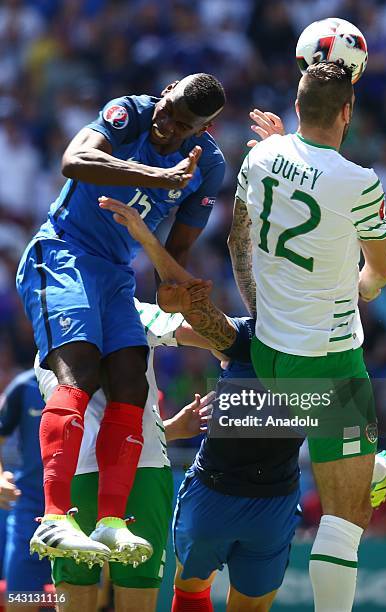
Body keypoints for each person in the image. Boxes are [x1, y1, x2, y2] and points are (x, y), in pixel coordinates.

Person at [99, 196, 386, 612]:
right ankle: (372, 469)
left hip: (273, 501)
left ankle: (371, 469)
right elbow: (218, 277)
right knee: (192, 586)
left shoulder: (326, 346)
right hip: (216, 489)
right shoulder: (246, 337)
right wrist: (252, 181)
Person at [15, 73, 226, 566]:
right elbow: (75, 161)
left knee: (131, 381)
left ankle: (111, 523)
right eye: (168, 108)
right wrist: (156, 176)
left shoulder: (209, 168)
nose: (166, 123)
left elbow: (173, 251)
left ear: (204, 129)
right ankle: (54, 518)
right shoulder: (128, 112)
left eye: (181, 125)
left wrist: (177, 290)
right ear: (167, 89)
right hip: (62, 252)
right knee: (82, 372)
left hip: (115, 274)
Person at [228, 60, 386, 612]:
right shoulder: (361, 183)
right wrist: (364, 289)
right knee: (346, 519)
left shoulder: (260, 155)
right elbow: (381, 269)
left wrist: (283, 148)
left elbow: (239, 238)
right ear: (348, 112)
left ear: (297, 108)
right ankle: (368, 470)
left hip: (270, 349)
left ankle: (372, 465)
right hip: (328, 359)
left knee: (342, 469)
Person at [35, 300, 213, 612]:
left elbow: (83, 422)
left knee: (74, 599)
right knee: (137, 599)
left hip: (71, 480)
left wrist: (167, 429)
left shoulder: (47, 335)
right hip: (141, 472)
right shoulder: (130, 308)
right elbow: (201, 332)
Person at [0, 370, 51, 612]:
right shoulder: (23, 386)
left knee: (83, 601)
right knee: (20, 600)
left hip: (82, 509)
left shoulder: (99, 379)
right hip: (28, 508)